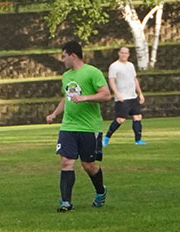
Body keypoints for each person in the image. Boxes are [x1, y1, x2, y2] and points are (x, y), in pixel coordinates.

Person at [46, 41, 111, 212]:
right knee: (66, 162)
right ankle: (66, 202)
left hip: (89, 127)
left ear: (73, 55)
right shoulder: (66, 76)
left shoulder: (92, 72)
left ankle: (100, 191)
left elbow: (106, 95)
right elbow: (66, 97)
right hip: (68, 126)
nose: (63, 60)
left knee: (88, 165)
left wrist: (85, 98)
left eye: (64, 56)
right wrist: (55, 114)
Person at [103, 46, 147, 146]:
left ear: (128, 54)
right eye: (122, 53)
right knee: (120, 119)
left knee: (137, 116)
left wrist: (140, 93)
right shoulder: (114, 66)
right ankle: (107, 137)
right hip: (123, 97)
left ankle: (138, 140)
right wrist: (117, 93)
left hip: (132, 96)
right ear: (119, 53)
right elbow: (111, 80)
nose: (124, 55)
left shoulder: (131, 65)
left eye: (126, 53)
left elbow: (135, 80)